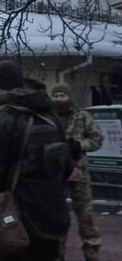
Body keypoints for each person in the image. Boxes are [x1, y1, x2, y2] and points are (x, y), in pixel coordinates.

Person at [0, 61, 72, 261]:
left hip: (17, 217)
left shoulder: (5, 118)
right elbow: (65, 164)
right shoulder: (50, 115)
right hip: (53, 211)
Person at [50, 82, 103, 261]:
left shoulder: (81, 116)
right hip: (56, 172)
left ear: (68, 97)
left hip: (78, 171)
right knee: (56, 216)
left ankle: (92, 253)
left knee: (85, 215)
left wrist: (80, 145)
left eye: (62, 96)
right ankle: (57, 253)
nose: (59, 99)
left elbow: (97, 139)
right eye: (55, 96)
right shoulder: (47, 117)